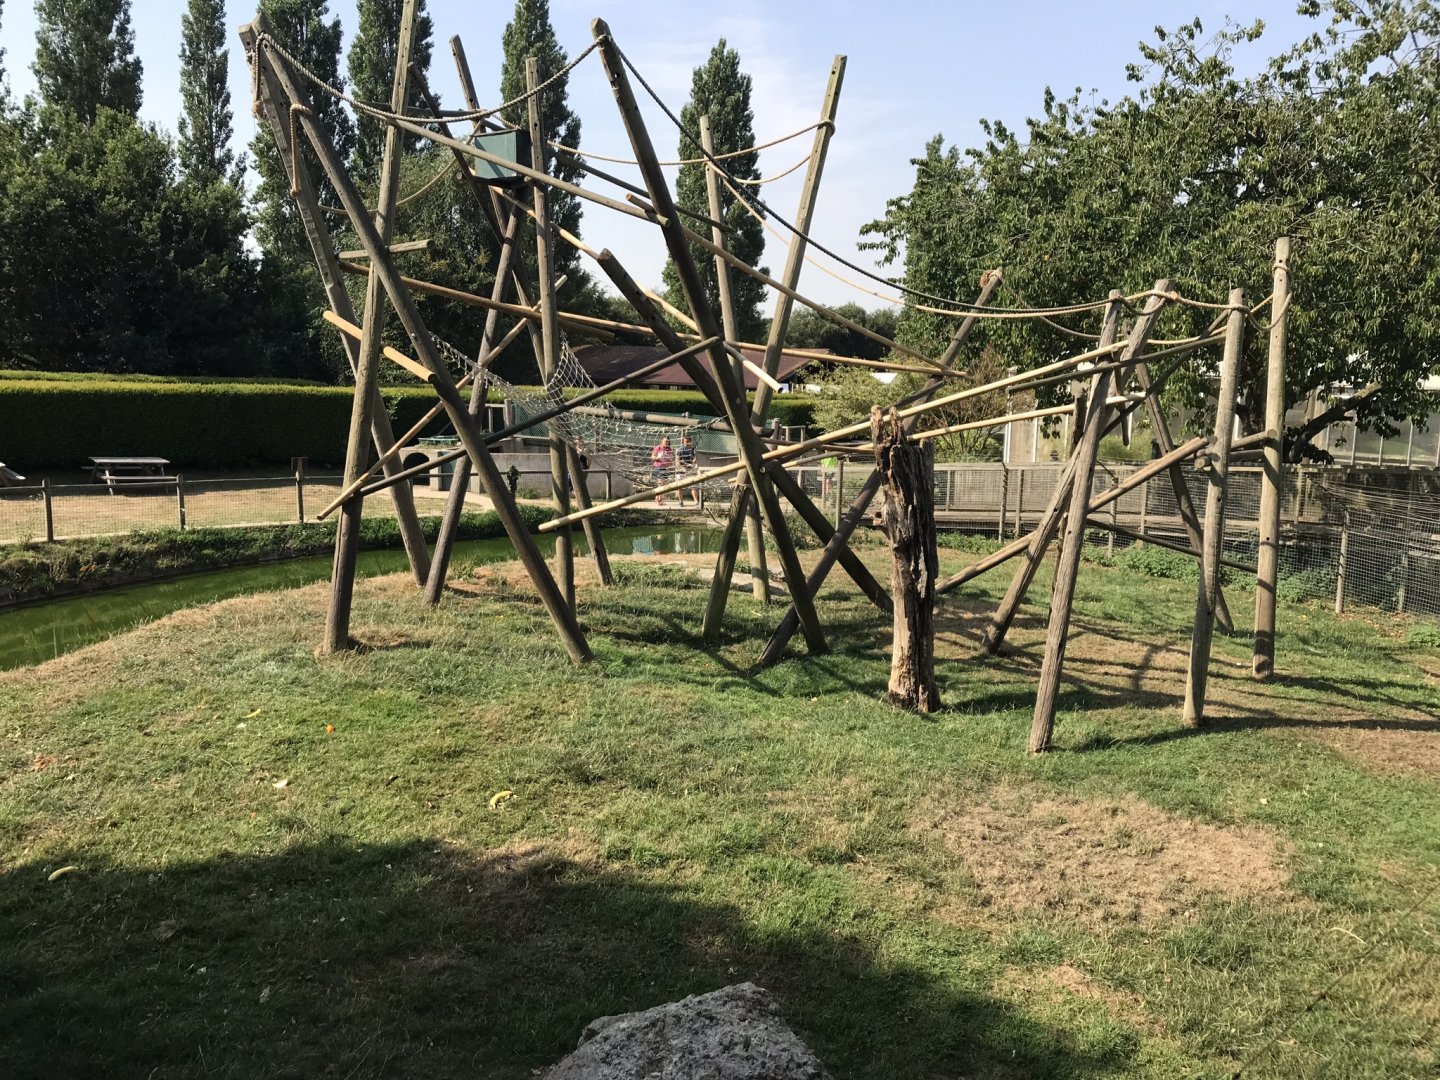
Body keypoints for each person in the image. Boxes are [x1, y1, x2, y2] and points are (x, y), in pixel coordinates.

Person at [651, 436, 674, 505]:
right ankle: (659, 500)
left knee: (663, 485)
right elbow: (652, 457)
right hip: (658, 467)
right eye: (665, 441)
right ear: (662, 441)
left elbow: (670, 460)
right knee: (660, 483)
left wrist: (670, 460)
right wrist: (658, 457)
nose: (667, 442)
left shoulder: (669, 449)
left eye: (668, 441)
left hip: (665, 468)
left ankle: (657, 499)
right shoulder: (658, 447)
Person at [677, 434, 698, 505]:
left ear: (690, 442)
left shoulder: (692, 449)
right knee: (680, 486)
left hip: (691, 469)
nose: (687, 442)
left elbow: (695, 459)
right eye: (685, 441)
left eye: (688, 441)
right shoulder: (680, 450)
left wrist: (693, 463)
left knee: (694, 486)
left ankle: (696, 502)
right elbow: (678, 460)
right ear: (683, 442)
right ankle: (680, 501)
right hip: (682, 470)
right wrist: (683, 467)